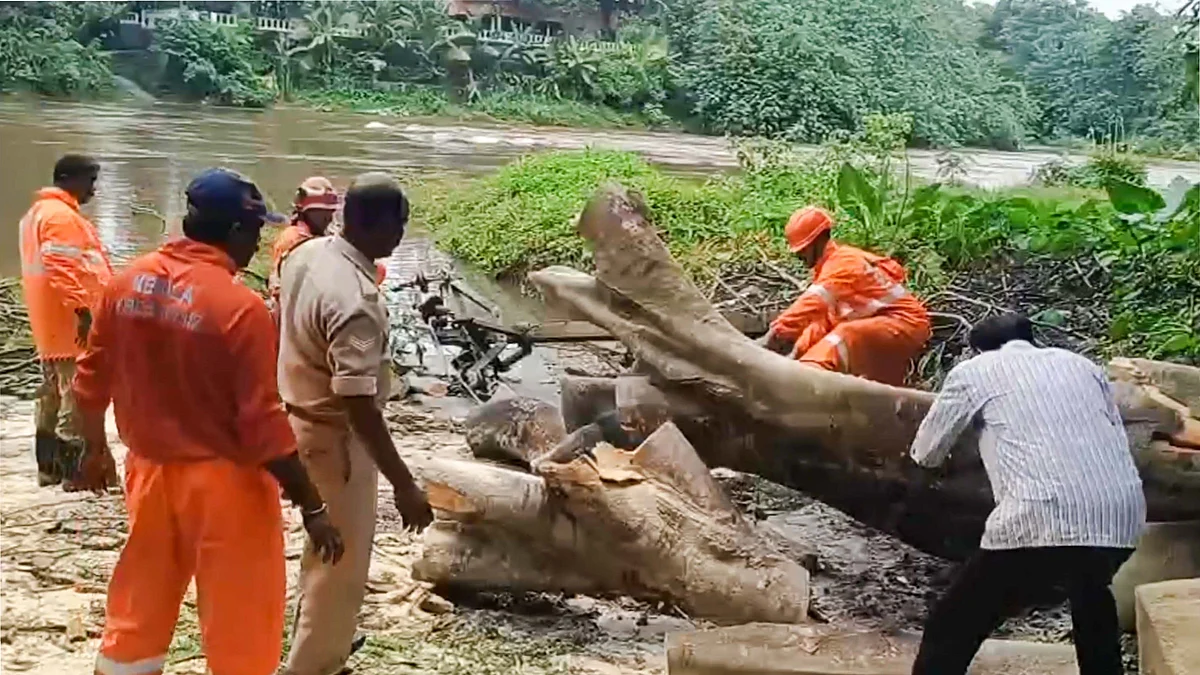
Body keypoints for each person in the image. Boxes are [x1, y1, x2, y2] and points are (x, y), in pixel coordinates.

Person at [73, 168, 345, 675]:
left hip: (148, 473)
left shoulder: (126, 281)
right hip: (227, 486)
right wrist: (312, 505)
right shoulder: (239, 307)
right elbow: (262, 426)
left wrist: (95, 449)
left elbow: (90, 380)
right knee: (242, 608)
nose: (258, 243)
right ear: (236, 232)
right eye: (256, 232)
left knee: (143, 593)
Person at [908, 314, 1146, 675]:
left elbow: (927, 452)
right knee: (1091, 595)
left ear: (978, 350)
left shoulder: (974, 371)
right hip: (1120, 517)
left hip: (1037, 515)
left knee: (955, 621)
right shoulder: (1081, 364)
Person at [277, 172, 433, 675]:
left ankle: (314, 648)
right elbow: (358, 405)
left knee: (318, 550)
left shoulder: (306, 255)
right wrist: (404, 484)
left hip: (296, 416)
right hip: (334, 439)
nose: (403, 233)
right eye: (401, 221)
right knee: (338, 563)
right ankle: (315, 665)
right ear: (382, 224)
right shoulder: (357, 300)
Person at [18, 154, 113, 487]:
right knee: (76, 399)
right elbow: (63, 268)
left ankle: (50, 470)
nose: (94, 190)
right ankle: (75, 477)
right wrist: (84, 312)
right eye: (91, 181)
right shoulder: (61, 218)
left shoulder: (36, 215)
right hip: (70, 325)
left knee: (51, 396)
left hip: (49, 325)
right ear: (70, 179)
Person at [759, 206, 931, 386]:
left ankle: (804, 383)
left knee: (845, 334)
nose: (799, 256)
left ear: (818, 242)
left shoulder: (842, 264)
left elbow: (810, 304)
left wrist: (774, 336)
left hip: (906, 325)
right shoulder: (833, 264)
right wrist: (797, 354)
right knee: (831, 327)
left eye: (802, 249)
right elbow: (822, 321)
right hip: (883, 325)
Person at [267, 176, 387, 324]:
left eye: (330, 213)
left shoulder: (319, 235)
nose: (328, 218)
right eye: (322, 213)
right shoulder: (294, 240)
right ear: (307, 212)